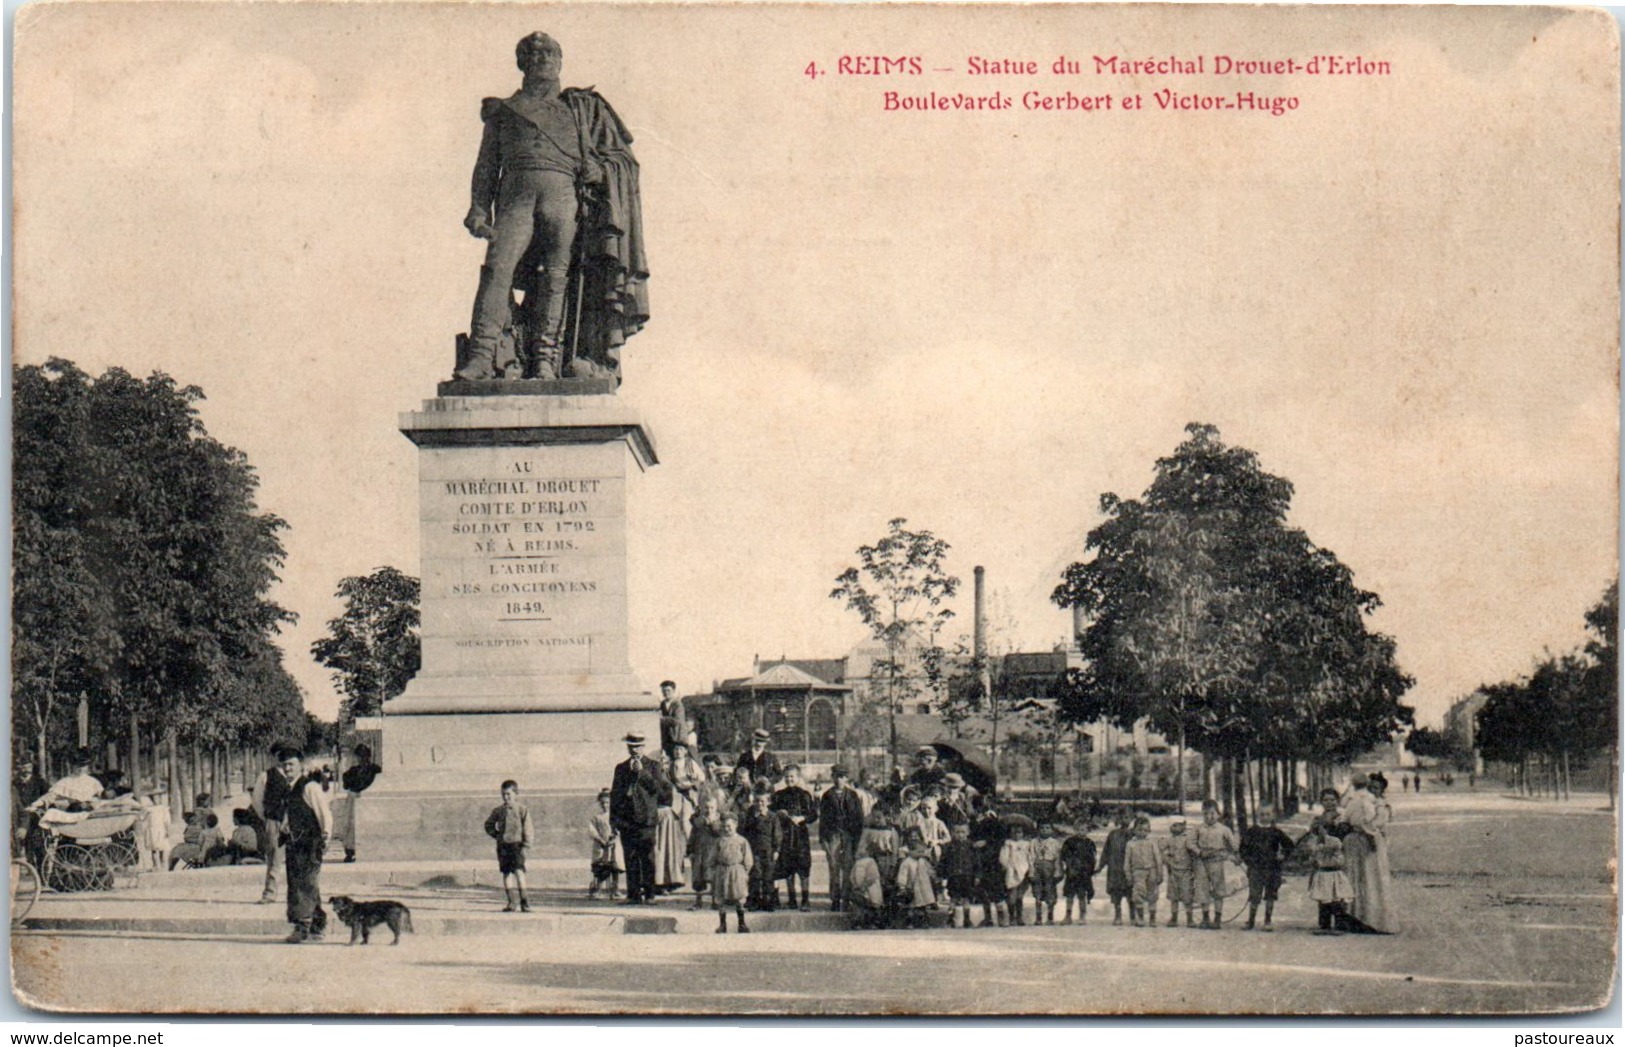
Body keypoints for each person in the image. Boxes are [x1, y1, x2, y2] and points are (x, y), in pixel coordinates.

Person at [457, 31, 647, 383]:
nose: (543, 58)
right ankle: (481, 356)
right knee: (498, 270)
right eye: (534, 53)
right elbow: (486, 165)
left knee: (556, 277)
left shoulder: (577, 110)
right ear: (522, 63)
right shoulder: (503, 112)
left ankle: (546, 360)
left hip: (563, 198)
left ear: (560, 62)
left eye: (550, 53)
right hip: (516, 196)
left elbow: (616, 159)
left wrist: (598, 170)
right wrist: (479, 209)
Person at [609, 733, 671, 905]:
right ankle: (634, 894)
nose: (634, 750)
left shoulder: (653, 766)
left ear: (643, 747)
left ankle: (650, 894)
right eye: (630, 746)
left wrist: (642, 773)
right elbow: (615, 795)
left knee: (648, 858)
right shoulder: (620, 768)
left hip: (646, 820)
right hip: (626, 820)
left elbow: (660, 790)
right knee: (630, 857)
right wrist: (613, 820)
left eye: (637, 746)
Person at [282, 750, 331, 944]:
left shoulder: (310, 787)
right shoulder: (291, 788)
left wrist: (325, 838)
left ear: (301, 766)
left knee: (305, 885)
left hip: (310, 845)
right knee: (303, 885)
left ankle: (302, 928)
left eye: (291, 764)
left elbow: (325, 815)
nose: (287, 769)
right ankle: (317, 926)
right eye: (284, 765)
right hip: (295, 845)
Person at [1337, 772, 1396, 933]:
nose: (1373, 790)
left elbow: (1376, 825)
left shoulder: (1381, 806)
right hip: (1360, 841)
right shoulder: (1361, 801)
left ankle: (1373, 919)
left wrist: (1366, 830)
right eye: (1371, 787)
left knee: (1373, 879)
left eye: (1377, 788)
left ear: (1382, 790)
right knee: (1357, 877)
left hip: (1373, 844)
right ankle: (1356, 916)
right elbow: (1347, 817)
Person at [1239, 804, 1295, 932]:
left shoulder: (1276, 832)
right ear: (1257, 815)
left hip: (1272, 869)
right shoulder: (1252, 831)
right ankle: (1251, 920)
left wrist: (1283, 855)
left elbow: (1290, 845)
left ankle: (1267, 920)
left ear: (1273, 815)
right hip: (1256, 869)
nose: (1265, 817)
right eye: (1262, 814)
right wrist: (1249, 862)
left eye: (1268, 814)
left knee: (1270, 895)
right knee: (1254, 895)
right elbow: (1243, 849)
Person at [251, 746, 295, 905]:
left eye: (284, 757)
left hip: (295, 822)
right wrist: (268, 818)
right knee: (274, 859)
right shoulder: (266, 776)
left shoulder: (296, 775)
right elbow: (257, 800)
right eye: (279, 757)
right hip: (275, 822)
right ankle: (270, 893)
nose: (282, 761)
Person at [818, 766, 865, 913]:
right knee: (834, 867)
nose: (839, 780)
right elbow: (823, 819)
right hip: (833, 835)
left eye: (842, 776)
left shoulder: (853, 795)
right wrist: (823, 839)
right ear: (832, 778)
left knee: (848, 868)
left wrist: (858, 838)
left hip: (849, 835)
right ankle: (835, 899)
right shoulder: (827, 795)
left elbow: (859, 818)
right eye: (836, 776)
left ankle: (846, 899)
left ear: (846, 779)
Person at [484, 779, 534, 912]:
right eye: (503, 794)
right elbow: (488, 825)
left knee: (519, 872)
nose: (506, 797)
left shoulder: (522, 810)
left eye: (508, 794)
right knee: (506, 873)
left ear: (516, 793)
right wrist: (497, 836)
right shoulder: (498, 811)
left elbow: (528, 829)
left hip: (517, 846)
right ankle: (511, 902)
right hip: (503, 847)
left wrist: (526, 846)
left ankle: (525, 902)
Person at [1191, 800, 1239, 929]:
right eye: (1205, 814)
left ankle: (1217, 918)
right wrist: (1199, 852)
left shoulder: (1224, 829)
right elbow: (1190, 844)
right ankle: (1205, 918)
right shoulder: (1198, 829)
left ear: (1218, 814)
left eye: (1212, 813)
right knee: (1202, 889)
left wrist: (1235, 855)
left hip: (1217, 862)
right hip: (1201, 862)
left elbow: (1234, 845)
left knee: (1218, 889)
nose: (1209, 817)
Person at [740, 783, 784, 912]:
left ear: (768, 802)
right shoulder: (750, 816)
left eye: (763, 801)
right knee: (755, 875)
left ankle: (768, 900)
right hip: (753, 851)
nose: (760, 804)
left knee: (768, 876)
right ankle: (754, 900)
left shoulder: (772, 817)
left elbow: (777, 835)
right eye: (757, 801)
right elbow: (744, 833)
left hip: (768, 851)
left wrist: (777, 850)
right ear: (753, 801)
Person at [1306, 816, 1353, 935]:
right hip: (1322, 874)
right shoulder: (1314, 843)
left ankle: (1339, 924)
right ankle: (1324, 924)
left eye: (1323, 829)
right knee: (1323, 900)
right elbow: (1312, 859)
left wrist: (1327, 848)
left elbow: (1339, 856)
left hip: (1334, 873)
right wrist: (1314, 855)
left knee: (1336, 899)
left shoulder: (1334, 841)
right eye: (1317, 829)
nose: (1321, 832)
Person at [337, 744, 382, 863]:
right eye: (359, 756)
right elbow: (346, 785)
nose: (362, 759)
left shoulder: (375, 769)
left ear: (368, 756)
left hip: (367, 799)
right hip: (353, 798)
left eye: (364, 756)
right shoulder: (353, 771)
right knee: (350, 825)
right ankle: (350, 851)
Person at [710, 812, 753, 933]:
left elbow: (748, 859)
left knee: (739, 897)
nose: (726, 829)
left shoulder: (741, 840)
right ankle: (722, 925)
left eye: (729, 826)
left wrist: (744, 872)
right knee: (721, 897)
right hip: (722, 871)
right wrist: (714, 871)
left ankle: (742, 924)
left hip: (737, 871)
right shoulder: (719, 841)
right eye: (724, 826)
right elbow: (712, 858)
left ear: (736, 825)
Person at [1159, 819, 1201, 928]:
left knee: (1187, 896)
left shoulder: (1188, 838)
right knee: (1174, 897)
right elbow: (1161, 850)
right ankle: (1174, 918)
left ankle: (1190, 918)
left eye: (1176, 825)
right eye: (1172, 826)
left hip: (1186, 871)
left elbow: (1194, 853)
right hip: (1173, 871)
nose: (1172, 828)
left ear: (1183, 826)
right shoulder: (1169, 840)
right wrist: (1166, 859)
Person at [1124, 815, 1164, 928]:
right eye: (1139, 830)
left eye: (1145, 830)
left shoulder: (1152, 842)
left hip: (1151, 870)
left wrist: (1160, 873)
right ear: (1134, 830)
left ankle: (1152, 918)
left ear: (1149, 831)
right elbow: (1127, 861)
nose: (1142, 832)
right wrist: (1128, 875)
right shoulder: (1130, 844)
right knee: (1138, 894)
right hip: (1137, 872)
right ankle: (1140, 917)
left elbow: (1158, 858)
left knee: (1153, 894)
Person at [939, 821, 979, 929]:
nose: (960, 835)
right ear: (952, 833)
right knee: (953, 898)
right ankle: (950, 918)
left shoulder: (971, 846)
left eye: (963, 832)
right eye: (957, 832)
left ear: (968, 832)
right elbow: (943, 862)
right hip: (954, 876)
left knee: (967, 898)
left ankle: (967, 919)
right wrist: (943, 876)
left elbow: (976, 862)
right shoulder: (948, 847)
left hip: (967, 876)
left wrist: (977, 876)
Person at [895, 828, 938, 927]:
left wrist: (932, 874)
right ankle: (911, 922)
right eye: (919, 852)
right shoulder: (907, 862)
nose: (921, 854)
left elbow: (929, 870)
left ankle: (923, 922)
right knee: (913, 906)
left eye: (922, 852)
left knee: (922, 906)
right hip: (913, 887)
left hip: (923, 887)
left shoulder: (922, 861)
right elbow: (903, 874)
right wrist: (902, 886)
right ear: (910, 851)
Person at [1060, 823, 1097, 925]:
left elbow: (1092, 858)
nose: (1081, 832)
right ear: (1074, 830)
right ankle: (1068, 915)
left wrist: (1091, 870)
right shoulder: (1069, 842)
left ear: (1087, 831)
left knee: (1082, 895)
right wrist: (1070, 865)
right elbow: (1064, 855)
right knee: (1069, 895)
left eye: (1084, 830)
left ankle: (1082, 915)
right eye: (1079, 830)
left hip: (1084, 874)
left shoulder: (1089, 843)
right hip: (1072, 873)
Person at [588, 788, 622, 899]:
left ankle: (615, 889)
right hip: (601, 845)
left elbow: (619, 828)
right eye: (602, 803)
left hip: (613, 844)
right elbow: (591, 830)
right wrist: (600, 840)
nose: (605, 805)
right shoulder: (596, 817)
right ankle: (597, 889)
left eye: (607, 803)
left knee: (614, 866)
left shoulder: (615, 816)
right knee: (600, 867)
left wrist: (614, 837)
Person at [997, 822, 1033, 927]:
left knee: (1019, 895)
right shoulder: (1008, 844)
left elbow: (1029, 857)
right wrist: (1007, 865)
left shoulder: (1026, 844)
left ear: (1022, 834)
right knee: (1011, 894)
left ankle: (1019, 917)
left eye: (1019, 832)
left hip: (1023, 869)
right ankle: (1012, 916)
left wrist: (1030, 867)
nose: (1016, 835)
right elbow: (1003, 857)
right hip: (1012, 870)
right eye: (1013, 833)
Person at [1101, 809, 1133, 926]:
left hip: (1129, 868)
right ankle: (1117, 915)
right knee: (1116, 893)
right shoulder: (1113, 834)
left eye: (1127, 817)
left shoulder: (1134, 834)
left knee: (1131, 892)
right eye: (1122, 817)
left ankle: (1133, 916)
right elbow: (1106, 851)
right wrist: (1100, 866)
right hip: (1115, 868)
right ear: (1117, 820)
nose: (1125, 820)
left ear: (1132, 819)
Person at [1030, 822, 1064, 926]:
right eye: (1042, 828)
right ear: (1038, 830)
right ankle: (1038, 917)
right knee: (1038, 892)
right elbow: (1031, 856)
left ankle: (1050, 916)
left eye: (1047, 828)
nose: (1044, 830)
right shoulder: (1034, 842)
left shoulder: (1055, 843)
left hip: (1050, 868)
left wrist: (1058, 870)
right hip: (1037, 867)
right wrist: (1031, 870)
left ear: (1051, 830)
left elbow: (1058, 858)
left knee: (1050, 891)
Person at [734, 729, 783, 793]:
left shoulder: (771, 757)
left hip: (766, 789)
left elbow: (779, 774)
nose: (759, 744)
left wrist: (769, 781)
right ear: (753, 740)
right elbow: (737, 771)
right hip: (747, 789)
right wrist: (743, 781)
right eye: (757, 740)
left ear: (765, 743)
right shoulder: (744, 756)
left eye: (762, 741)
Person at [657, 682, 690, 757]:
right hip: (666, 739)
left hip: (677, 739)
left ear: (674, 691)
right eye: (664, 691)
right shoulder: (662, 704)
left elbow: (676, 721)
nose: (666, 693)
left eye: (668, 690)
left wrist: (661, 718)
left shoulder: (678, 704)